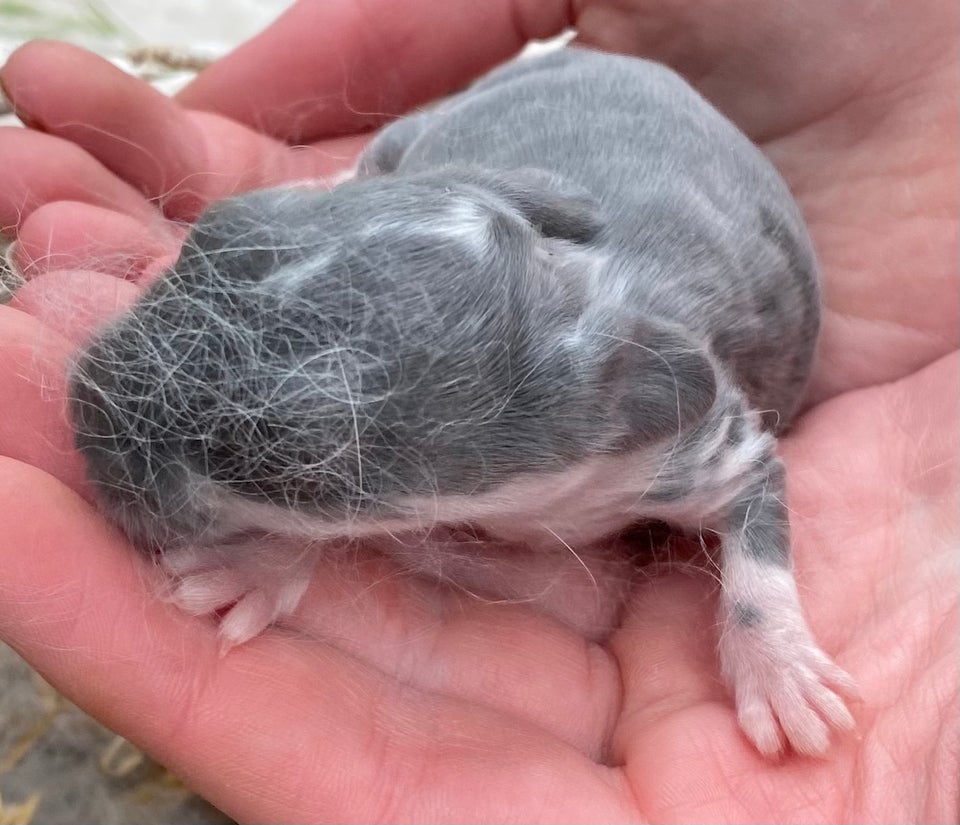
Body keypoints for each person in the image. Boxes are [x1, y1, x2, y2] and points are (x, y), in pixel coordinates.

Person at [0, 0, 956, 820]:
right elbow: (494, 212)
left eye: (300, 456)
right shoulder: (462, 209)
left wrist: (767, 634)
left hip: (615, 183)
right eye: (218, 248)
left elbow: (747, 471)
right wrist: (287, 533)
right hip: (537, 131)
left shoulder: (635, 395)